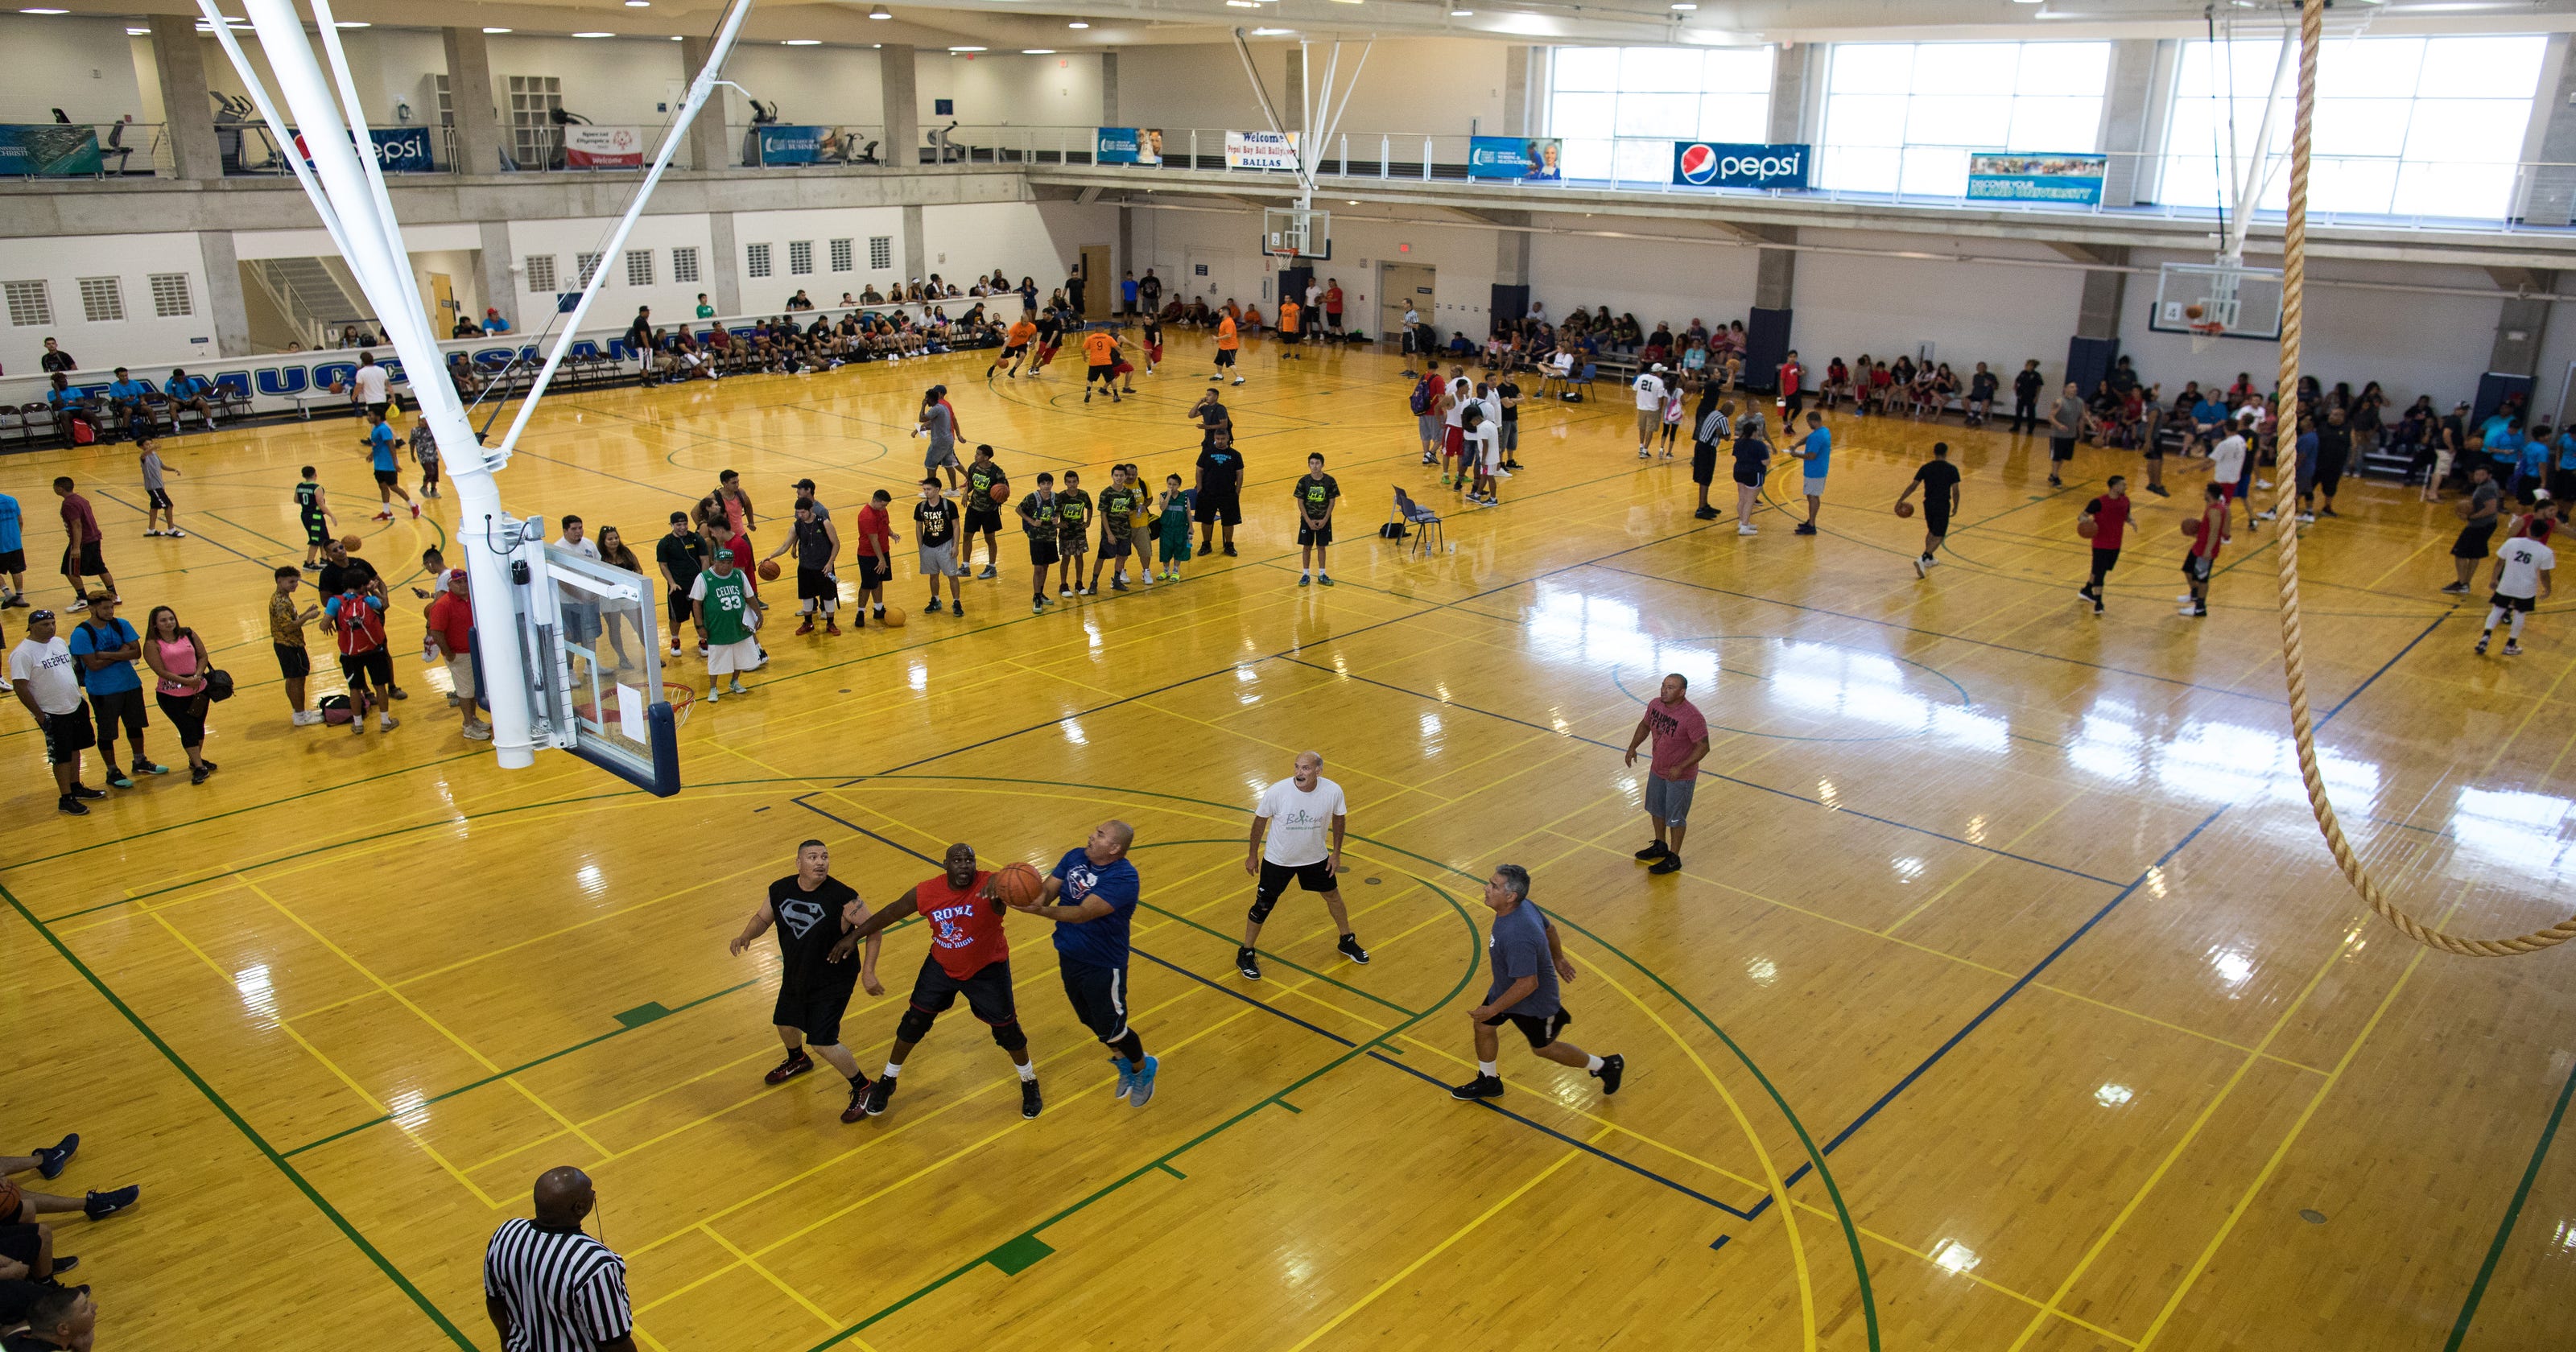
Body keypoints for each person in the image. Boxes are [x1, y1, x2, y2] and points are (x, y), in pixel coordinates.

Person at [829, 843, 1044, 1121]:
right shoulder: (928, 891)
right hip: (942, 966)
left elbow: (1027, 894)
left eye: (970, 860)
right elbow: (891, 913)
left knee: (1008, 1032)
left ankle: (1029, 1080)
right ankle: (888, 1079)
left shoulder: (993, 885)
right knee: (913, 1023)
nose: (965, 865)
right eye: (957, 860)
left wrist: (1006, 886)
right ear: (946, 865)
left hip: (987, 969)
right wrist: (853, 937)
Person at [731, 839, 882, 1123]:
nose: (821, 862)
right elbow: (762, 918)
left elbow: (874, 930)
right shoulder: (779, 889)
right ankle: (798, 1059)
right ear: (798, 863)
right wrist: (745, 936)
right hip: (798, 972)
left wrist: (869, 972)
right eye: (812, 857)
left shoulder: (843, 897)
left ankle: (864, 1087)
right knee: (785, 1022)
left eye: (824, 857)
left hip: (833, 979)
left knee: (823, 1041)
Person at [1009, 820, 1158, 1107]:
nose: (1091, 836)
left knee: (1113, 1028)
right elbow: (1047, 890)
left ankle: (1143, 1067)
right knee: (1089, 1018)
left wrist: (1039, 911)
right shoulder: (1075, 856)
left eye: (1100, 835)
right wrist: (1024, 897)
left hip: (1104, 963)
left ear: (1114, 848)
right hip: (1069, 953)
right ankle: (1122, 1061)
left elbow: (1082, 913)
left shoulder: (1124, 878)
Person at [1447, 864, 1624, 1101]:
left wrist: (1491, 1008)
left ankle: (1605, 1065)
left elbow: (1528, 984)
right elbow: (1550, 930)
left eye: (1493, 886)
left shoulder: (1517, 934)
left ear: (1510, 897)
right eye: (1490, 883)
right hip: (1507, 989)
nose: (1486, 888)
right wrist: (1558, 958)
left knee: (1544, 1049)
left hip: (1533, 1004)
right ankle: (1489, 1081)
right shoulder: (1523, 907)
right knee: (1483, 1027)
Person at [1236, 752, 1368, 980]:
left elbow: (1339, 818)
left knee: (1333, 895)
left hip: (1315, 858)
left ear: (1319, 771)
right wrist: (1252, 855)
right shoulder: (1278, 792)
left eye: (1306, 768)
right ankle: (1245, 953)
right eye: (1297, 767)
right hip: (1279, 860)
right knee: (1263, 906)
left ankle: (1347, 940)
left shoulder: (1332, 791)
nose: (1299, 773)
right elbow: (1260, 821)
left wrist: (1336, 853)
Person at [482, 1167, 636, 1352]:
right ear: (579, 1207)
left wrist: (506, 1341)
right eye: (590, 1190)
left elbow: (494, 1300)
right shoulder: (594, 1264)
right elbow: (615, 1344)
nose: (593, 1193)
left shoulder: (506, 1234)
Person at [65, 595, 163, 790]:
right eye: (105, 608)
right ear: (92, 609)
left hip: (130, 684)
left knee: (135, 726)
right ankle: (112, 771)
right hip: (103, 690)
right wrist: (121, 652)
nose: (110, 612)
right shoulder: (82, 633)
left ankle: (140, 761)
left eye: (111, 608)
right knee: (107, 732)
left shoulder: (121, 624)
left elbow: (136, 653)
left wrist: (107, 654)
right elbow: (93, 665)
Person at [10, 611, 104, 814]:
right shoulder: (23, 653)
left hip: (74, 705)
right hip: (52, 711)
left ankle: (75, 785)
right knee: (61, 756)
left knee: (75, 748)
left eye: (53, 623)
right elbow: (20, 687)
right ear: (31, 627)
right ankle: (65, 797)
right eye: (45, 624)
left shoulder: (59, 642)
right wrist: (39, 714)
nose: (51, 627)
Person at [1623, 674, 1707, 876]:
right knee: (1656, 810)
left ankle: (1674, 858)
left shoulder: (1692, 717)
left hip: (1680, 777)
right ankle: (1660, 845)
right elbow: (1645, 726)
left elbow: (1703, 747)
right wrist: (1633, 746)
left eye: (1670, 687)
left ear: (1682, 692)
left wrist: (1681, 767)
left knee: (1676, 818)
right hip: (1658, 769)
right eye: (1663, 685)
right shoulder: (1655, 705)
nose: (1664, 690)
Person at [137, 604, 217, 782]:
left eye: (171, 618)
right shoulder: (152, 644)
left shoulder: (188, 634)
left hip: (199, 690)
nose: (169, 623)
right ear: (155, 624)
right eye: (163, 620)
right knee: (187, 728)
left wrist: (197, 676)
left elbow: (203, 656)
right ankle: (198, 766)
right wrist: (186, 681)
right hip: (172, 695)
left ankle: (195, 760)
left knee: (198, 726)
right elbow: (161, 671)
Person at [324, 575, 400, 733]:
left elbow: (324, 625)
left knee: (354, 688)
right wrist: (374, 592)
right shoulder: (368, 601)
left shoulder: (335, 602)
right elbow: (384, 604)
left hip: (349, 653)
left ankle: (358, 724)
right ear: (362, 586)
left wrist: (329, 623)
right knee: (380, 686)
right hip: (373, 650)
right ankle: (385, 721)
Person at [688, 546, 762, 701]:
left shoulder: (738, 575)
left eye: (729, 562)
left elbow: (749, 596)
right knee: (716, 659)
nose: (726, 566)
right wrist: (699, 626)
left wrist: (758, 613)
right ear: (715, 561)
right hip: (717, 627)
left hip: (739, 624)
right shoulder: (704, 578)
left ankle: (734, 682)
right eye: (722, 562)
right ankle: (713, 688)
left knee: (740, 656)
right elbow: (696, 603)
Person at [423, 571, 488, 740]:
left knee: (473, 688)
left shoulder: (472, 599)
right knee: (465, 690)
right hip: (459, 654)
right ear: (449, 585)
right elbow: (436, 632)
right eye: (458, 582)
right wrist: (449, 653)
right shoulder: (443, 605)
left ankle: (473, 719)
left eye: (465, 581)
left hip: (474, 652)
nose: (463, 585)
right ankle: (468, 725)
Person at [2478, 517, 2555, 657]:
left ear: (2528, 529)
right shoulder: (2546, 552)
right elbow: (2544, 575)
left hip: (2506, 583)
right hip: (2525, 589)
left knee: (2498, 609)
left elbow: (2499, 562)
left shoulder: (2512, 542)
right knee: (2519, 614)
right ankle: (2510, 645)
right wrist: (2547, 588)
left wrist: (2494, 578)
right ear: (2543, 534)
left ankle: (2485, 637)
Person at [264, 566, 320, 727]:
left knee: (292, 679)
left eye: (297, 582)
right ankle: (301, 715)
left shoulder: (283, 598)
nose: (295, 585)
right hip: (289, 645)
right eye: (291, 582)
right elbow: (289, 627)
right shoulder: (280, 602)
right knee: (297, 680)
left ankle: (298, 711)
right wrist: (308, 617)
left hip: (286, 644)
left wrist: (304, 613)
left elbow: (291, 620)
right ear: (279, 580)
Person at [1897, 441, 1961, 578]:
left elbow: (1913, 486)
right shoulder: (1952, 469)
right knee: (1939, 536)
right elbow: (1955, 490)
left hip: (1928, 504)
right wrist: (1956, 505)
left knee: (1932, 531)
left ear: (1934, 452)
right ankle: (1923, 559)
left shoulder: (1926, 468)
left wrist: (1900, 500)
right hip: (1942, 504)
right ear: (1946, 453)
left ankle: (1930, 559)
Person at [51, 478, 111, 612]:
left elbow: (77, 525)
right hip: (94, 538)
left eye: (54, 486)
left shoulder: (69, 504)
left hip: (83, 542)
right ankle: (114, 595)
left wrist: (76, 547)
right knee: (100, 567)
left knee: (69, 570)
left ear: (60, 488)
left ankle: (83, 599)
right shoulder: (81, 499)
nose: (53, 489)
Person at [2076, 476, 2132, 616]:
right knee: (2100, 573)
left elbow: (2126, 515)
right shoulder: (2098, 502)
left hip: (2116, 543)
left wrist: (2132, 521)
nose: (2126, 487)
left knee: (2101, 570)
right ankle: (2099, 603)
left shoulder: (2126, 501)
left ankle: (2087, 590)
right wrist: (2087, 522)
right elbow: (2081, 516)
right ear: (2114, 487)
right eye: (2123, 485)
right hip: (2100, 543)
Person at [2446, 464, 2506, 596]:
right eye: (2476, 474)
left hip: (2479, 526)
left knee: (2460, 553)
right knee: (2474, 555)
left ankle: (2462, 584)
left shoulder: (2486, 489)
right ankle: (2465, 583)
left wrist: (2470, 517)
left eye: (2482, 475)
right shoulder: (2492, 484)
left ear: (2489, 476)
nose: (2478, 477)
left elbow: (2491, 508)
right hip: (2488, 524)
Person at [656, 511, 708, 658]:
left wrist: (702, 580)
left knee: (700, 614)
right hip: (677, 587)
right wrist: (671, 583)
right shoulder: (665, 543)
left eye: (685, 524)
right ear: (671, 525)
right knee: (675, 617)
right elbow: (663, 565)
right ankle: (675, 639)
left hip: (696, 586)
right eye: (679, 525)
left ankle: (702, 639)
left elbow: (704, 560)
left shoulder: (696, 539)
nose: (682, 527)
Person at [1194, 410, 1244, 558]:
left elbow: (1240, 473)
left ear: (1228, 438)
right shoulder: (1207, 452)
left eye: (1223, 438)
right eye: (1218, 438)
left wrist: (1237, 491)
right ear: (1214, 438)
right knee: (1206, 520)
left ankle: (1229, 545)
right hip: (1208, 493)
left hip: (1228, 493)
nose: (1220, 441)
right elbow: (1199, 471)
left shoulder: (1235, 455)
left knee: (1229, 521)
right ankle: (1206, 544)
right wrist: (1200, 489)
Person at [359, 408, 419, 521]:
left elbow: (391, 446)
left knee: (394, 487)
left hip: (388, 465)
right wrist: (372, 454)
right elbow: (378, 445)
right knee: (383, 487)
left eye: (370, 415)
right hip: (379, 465)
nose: (368, 417)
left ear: (378, 416)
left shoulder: (384, 429)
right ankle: (387, 512)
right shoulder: (375, 429)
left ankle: (413, 506)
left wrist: (395, 463)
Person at [1088, 466, 1141, 594]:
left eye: (1121, 475)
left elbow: (1133, 509)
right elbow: (1103, 515)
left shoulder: (1128, 493)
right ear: (1112, 476)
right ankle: (1094, 582)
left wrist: (1131, 511)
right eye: (1116, 475)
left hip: (1125, 532)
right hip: (1110, 533)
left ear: (1125, 476)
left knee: (1122, 557)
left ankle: (1117, 580)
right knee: (1101, 558)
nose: (1119, 478)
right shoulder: (1106, 493)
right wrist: (1109, 534)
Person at [915, 478, 964, 617]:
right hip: (928, 546)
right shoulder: (921, 507)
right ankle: (935, 599)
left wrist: (955, 546)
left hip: (946, 545)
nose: (926, 492)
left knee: (952, 575)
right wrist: (921, 547)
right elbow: (919, 527)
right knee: (933, 576)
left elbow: (956, 526)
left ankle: (956, 601)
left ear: (937, 490)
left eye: (928, 489)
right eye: (924, 489)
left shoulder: (948, 505)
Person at [1018, 472, 1063, 615]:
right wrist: (1031, 522)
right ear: (1039, 485)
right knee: (1038, 568)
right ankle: (1036, 597)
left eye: (1048, 483)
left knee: (1045, 566)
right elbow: (1018, 509)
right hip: (1036, 537)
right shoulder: (1032, 498)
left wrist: (1057, 518)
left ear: (1052, 484)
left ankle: (1041, 593)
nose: (1046, 486)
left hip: (1050, 536)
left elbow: (1058, 511)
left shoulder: (1056, 498)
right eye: (1043, 484)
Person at [960, 445, 1007, 579]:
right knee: (967, 536)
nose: (975, 456)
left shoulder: (997, 472)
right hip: (974, 508)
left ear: (986, 457)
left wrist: (999, 497)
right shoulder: (973, 467)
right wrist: (965, 493)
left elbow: (1004, 491)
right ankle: (965, 566)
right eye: (976, 453)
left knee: (990, 539)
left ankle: (992, 567)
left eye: (978, 454)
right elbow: (971, 483)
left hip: (989, 511)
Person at [2182, 481, 2227, 619]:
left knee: (2202, 579)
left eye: (2205, 491)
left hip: (2204, 550)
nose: (2203, 493)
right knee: (2188, 569)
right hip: (2199, 545)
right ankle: (2194, 596)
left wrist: (2208, 550)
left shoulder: (2215, 510)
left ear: (2209, 493)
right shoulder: (2211, 506)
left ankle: (2200, 608)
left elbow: (2214, 532)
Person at [1293, 454, 1338, 586]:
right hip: (1307, 521)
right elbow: (1300, 503)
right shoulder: (1303, 481)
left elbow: (1332, 502)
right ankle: (1306, 574)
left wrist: (1324, 520)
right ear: (1309, 465)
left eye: (1317, 463)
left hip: (1323, 521)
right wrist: (1308, 520)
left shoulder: (1330, 481)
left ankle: (1322, 574)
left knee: (1321, 547)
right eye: (1312, 463)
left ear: (1323, 465)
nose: (1315, 466)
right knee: (1306, 547)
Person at [914, 385, 964, 492]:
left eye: (926, 399)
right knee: (949, 465)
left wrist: (923, 406)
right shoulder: (944, 407)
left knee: (930, 465)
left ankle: (930, 490)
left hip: (940, 442)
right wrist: (918, 430)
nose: (925, 400)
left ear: (930, 399)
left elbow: (922, 418)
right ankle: (954, 490)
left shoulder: (936, 408)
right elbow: (934, 424)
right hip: (949, 439)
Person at [1731, 410, 1772, 538]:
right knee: (1750, 501)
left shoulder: (1738, 443)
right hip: (1754, 473)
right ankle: (1744, 527)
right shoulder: (1759, 445)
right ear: (1755, 432)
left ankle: (1742, 521)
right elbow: (1765, 462)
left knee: (1742, 499)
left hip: (1738, 472)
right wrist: (1768, 453)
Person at [137, 438, 182, 538]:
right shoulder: (143, 457)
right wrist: (153, 448)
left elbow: (163, 466)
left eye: (151, 444)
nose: (150, 446)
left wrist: (174, 469)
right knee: (169, 505)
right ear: (141, 447)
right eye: (147, 445)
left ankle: (151, 530)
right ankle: (171, 529)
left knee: (154, 507)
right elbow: (144, 454)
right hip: (154, 487)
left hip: (159, 485)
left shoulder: (155, 455)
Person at [295, 465, 334, 572]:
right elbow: (321, 505)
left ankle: (325, 560)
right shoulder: (317, 488)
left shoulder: (299, 486)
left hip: (305, 515)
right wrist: (332, 516)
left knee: (324, 537)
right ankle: (309, 563)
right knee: (315, 540)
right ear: (315, 474)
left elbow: (296, 500)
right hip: (315, 516)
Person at [1154, 472, 1191, 582]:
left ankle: (1175, 571)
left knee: (1179, 549)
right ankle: (1166, 571)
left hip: (1180, 529)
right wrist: (1169, 495)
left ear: (1179, 485)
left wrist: (1191, 527)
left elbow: (1188, 512)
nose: (1172, 486)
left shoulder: (1185, 497)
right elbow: (1162, 508)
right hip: (1166, 529)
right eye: (1169, 484)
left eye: (1174, 484)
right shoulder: (1163, 495)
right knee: (1166, 549)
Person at [1631, 365, 1667, 460]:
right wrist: (1660, 411)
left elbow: (1634, 388)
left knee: (1642, 428)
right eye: (1661, 372)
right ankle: (1645, 450)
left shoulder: (1641, 377)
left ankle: (1641, 446)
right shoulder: (1659, 382)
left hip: (1641, 407)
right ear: (1657, 372)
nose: (1662, 373)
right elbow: (1660, 398)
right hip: (1653, 409)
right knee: (1650, 430)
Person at [1081, 324, 1124, 403]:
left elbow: (1083, 349)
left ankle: (1088, 391)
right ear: (1103, 329)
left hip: (1094, 362)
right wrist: (1125, 357)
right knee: (1112, 379)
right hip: (1106, 362)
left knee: (1090, 379)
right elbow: (1118, 348)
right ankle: (1116, 395)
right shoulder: (1108, 338)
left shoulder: (1090, 338)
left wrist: (1084, 356)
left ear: (1095, 329)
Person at [351, 349, 391, 422]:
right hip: (382, 400)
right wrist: (393, 397)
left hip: (371, 402)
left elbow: (358, 387)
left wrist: (354, 397)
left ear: (363, 362)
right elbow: (389, 386)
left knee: (375, 423)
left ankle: (392, 433)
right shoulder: (382, 370)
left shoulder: (361, 372)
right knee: (382, 421)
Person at [0, 488, 23, 608]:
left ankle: (7, 593)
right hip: (15, 543)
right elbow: (20, 521)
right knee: (16, 570)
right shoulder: (11, 500)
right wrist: (16, 537)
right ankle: (20, 597)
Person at [1212, 308, 1242, 385]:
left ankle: (1239, 377)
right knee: (1219, 361)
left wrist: (1217, 339)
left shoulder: (1229, 322)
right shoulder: (1223, 321)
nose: (1219, 313)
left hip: (1230, 347)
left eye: (1220, 312)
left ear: (1225, 313)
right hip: (1223, 346)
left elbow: (1229, 335)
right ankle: (1219, 375)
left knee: (1230, 363)